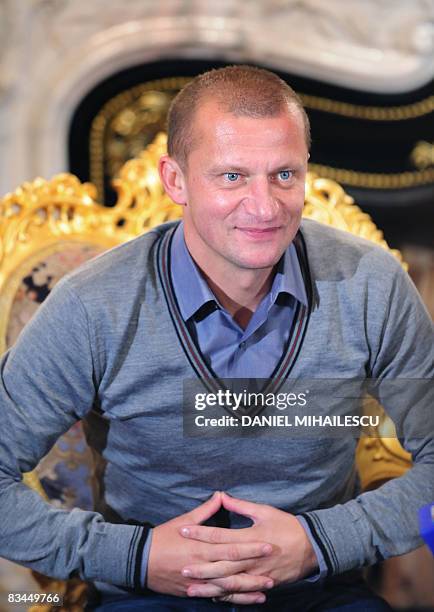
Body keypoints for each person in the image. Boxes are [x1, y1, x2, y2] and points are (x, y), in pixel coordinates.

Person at [0, 65, 433, 612]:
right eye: (231, 176)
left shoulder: (370, 284)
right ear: (175, 180)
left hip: (320, 591)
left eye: (284, 175)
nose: (264, 207)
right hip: (150, 595)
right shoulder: (92, 307)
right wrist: (133, 555)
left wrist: (321, 543)